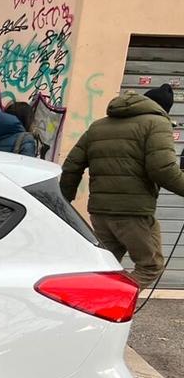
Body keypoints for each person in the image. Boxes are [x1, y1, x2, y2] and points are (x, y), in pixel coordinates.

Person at [60, 82, 184, 288]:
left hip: (100, 212)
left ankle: (84, 311)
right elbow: (163, 170)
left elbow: (72, 165)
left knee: (102, 267)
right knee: (150, 265)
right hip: (133, 213)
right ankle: (110, 307)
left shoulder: (98, 126)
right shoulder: (157, 123)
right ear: (164, 109)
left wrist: (64, 202)